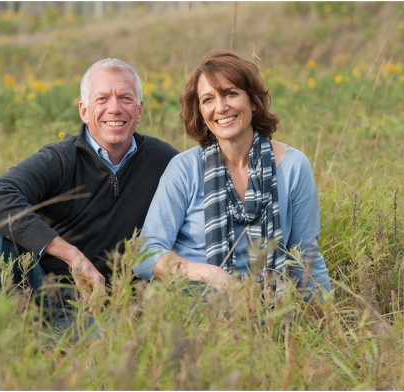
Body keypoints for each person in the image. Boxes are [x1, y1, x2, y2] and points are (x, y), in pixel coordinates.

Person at [0, 58, 179, 328]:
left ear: (140, 110)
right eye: (102, 98)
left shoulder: (164, 161)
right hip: (40, 297)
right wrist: (72, 255)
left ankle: (46, 347)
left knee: (102, 346)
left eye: (126, 98)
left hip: (107, 310)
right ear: (84, 110)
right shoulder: (60, 159)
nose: (114, 108)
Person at [133, 50, 331, 303]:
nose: (220, 107)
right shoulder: (184, 169)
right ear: (201, 113)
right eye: (208, 99)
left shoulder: (293, 166)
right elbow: (145, 255)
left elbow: (305, 256)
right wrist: (207, 273)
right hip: (192, 309)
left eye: (231, 94)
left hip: (269, 309)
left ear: (253, 101)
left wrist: (329, 325)